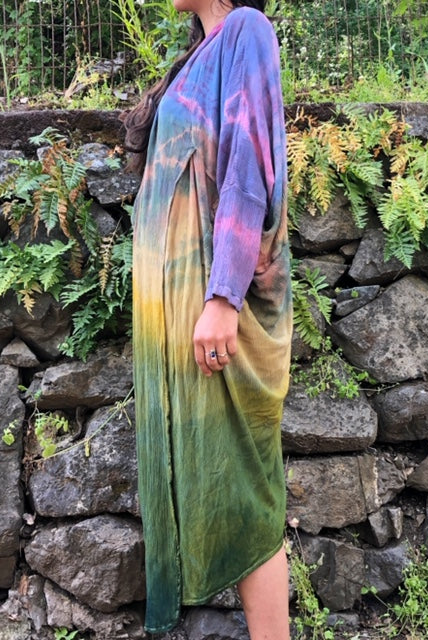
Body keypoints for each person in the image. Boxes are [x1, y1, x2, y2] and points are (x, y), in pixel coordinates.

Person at [122, 0, 292, 637]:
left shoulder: (246, 29)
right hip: (173, 316)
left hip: (215, 308)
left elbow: (249, 167)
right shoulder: (196, 56)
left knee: (246, 485)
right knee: (205, 475)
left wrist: (223, 298)